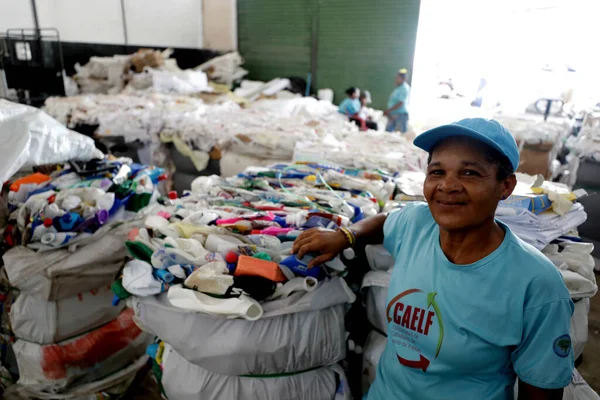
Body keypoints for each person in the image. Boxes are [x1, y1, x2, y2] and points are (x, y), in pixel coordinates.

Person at [292, 118, 574, 400]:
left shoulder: (536, 285)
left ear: (506, 186)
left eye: (470, 173)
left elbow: (541, 392)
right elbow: (388, 220)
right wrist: (346, 235)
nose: (448, 186)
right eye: (437, 171)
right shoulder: (417, 223)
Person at [384, 68, 411, 133]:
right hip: (394, 114)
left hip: (400, 114)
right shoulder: (399, 88)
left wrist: (389, 110)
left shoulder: (404, 88)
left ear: (403, 79)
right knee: (388, 133)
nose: (396, 79)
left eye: (398, 78)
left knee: (401, 134)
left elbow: (400, 103)